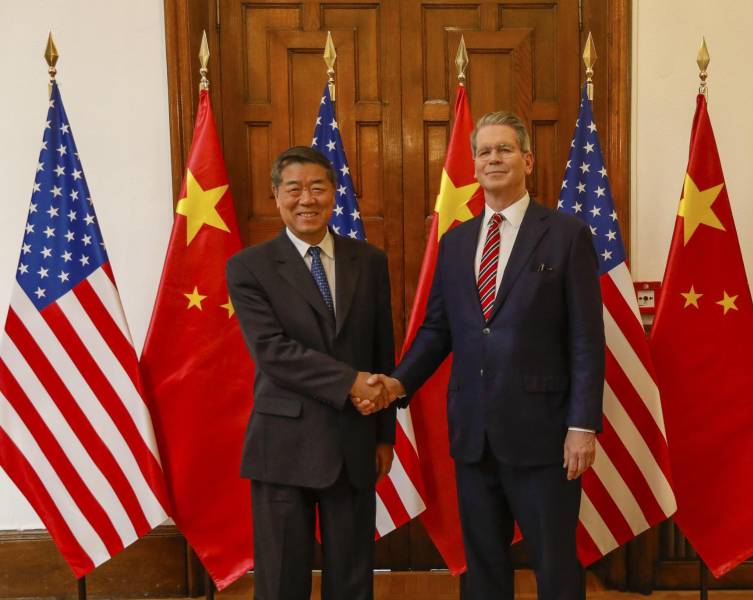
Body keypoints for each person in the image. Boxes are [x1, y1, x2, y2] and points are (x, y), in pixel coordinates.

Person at [368, 112, 605, 600]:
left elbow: (586, 337)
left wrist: (583, 426)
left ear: (527, 160)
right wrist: (397, 383)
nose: (493, 159)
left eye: (504, 149)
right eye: (484, 152)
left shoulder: (566, 234)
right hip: (474, 434)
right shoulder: (455, 243)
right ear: (473, 166)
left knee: (555, 565)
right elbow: (438, 330)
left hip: (545, 435)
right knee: (483, 567)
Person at [226, 146, 396, 600]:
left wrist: (385, 435)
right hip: (283, 447)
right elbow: (273, 352)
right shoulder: (249, 267)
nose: (307, 199)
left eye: (318, 187)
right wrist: (349, 383)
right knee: (282, 580)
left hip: (354, 443)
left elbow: (382, 350)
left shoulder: (369, 261)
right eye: (294, 188)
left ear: (334, 194)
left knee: (354, 578)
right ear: (275, 196)